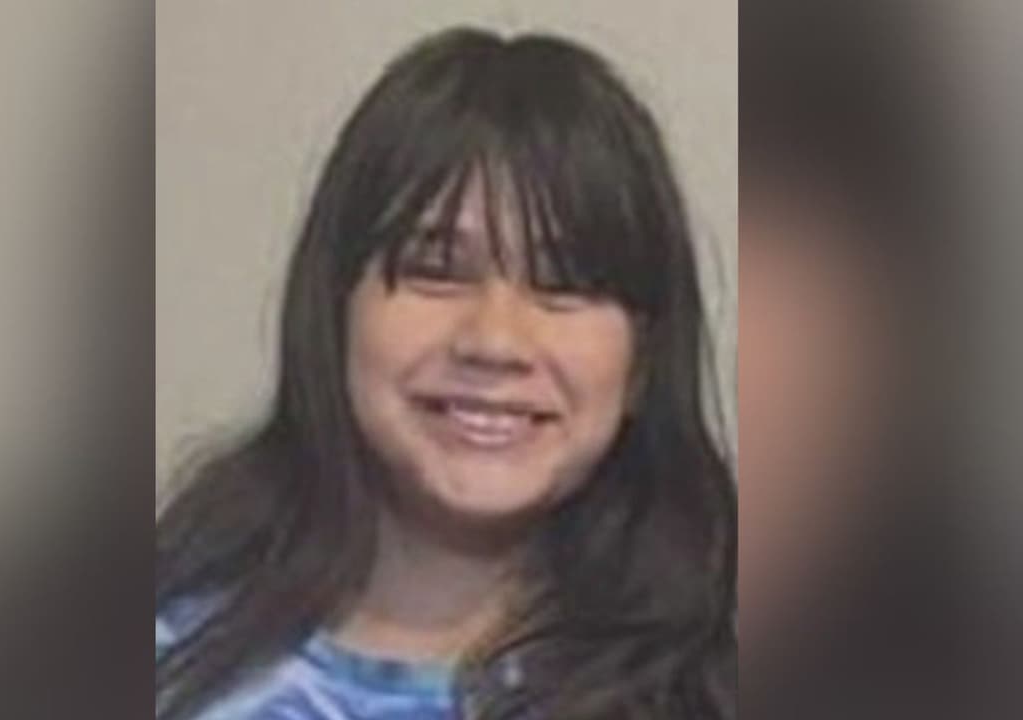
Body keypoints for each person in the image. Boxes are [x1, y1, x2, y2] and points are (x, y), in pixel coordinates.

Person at [156, 27, 735, 720]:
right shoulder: (170, 646)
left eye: (563, 283)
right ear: (335, 311)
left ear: (642, 358)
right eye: (435, 270)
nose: (494, 341)